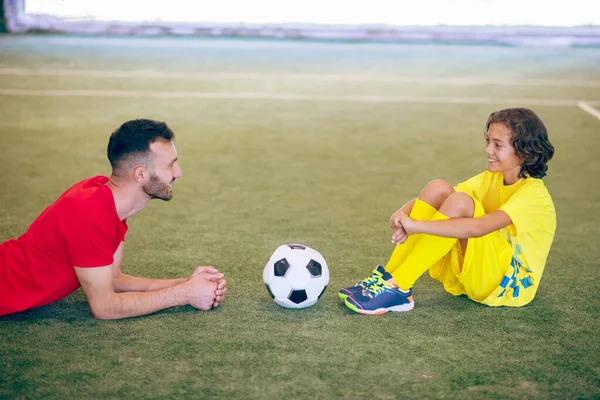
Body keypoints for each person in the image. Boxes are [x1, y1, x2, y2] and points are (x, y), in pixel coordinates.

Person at [0, 119, 227, 319]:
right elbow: (105, 307)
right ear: (140, 175)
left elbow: (113, 279)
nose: (178, 173)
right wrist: (185, 294)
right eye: (170, 165)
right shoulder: (89, 212)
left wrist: (186, 283)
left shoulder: (109, 202)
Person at [339, 108, 556, 315]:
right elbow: (439, 199)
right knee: (439, 187)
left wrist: (416, 226)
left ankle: (401, 286)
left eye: (498, 145)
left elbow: (479, 227)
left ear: (525, 152)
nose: (487, 149)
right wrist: (401, 214)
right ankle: (390, 278)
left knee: (461, 203)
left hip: (507, 285)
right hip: (482, 270)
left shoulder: (534, 196)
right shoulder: (493, 178)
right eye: (488, 141)